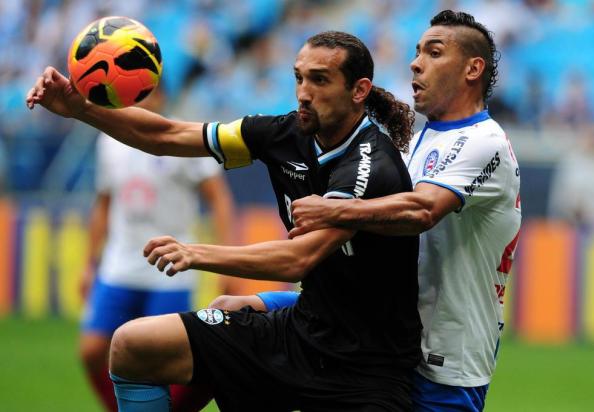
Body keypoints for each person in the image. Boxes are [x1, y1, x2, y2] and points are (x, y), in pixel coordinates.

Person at [27, 31, 421, 411]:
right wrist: (79, 107)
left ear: (359, 90)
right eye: (299, 78)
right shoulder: (283, 133)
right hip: (303, 330)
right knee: (131, 344)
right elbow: (167, 135)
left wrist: (195, 253)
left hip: (366, 366)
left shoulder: (372, 164)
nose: (304, 92)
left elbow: (297, 260)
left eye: (320, 80)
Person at [212, 10, 522, 412]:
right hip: (379, 338)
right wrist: (278, 302)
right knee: (222, 326)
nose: (415, 62)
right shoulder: (416, 143)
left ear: (472, 68)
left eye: (434, 52)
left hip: (446, 361)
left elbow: (422, 211)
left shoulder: (486, 141)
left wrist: (335, 211)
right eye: (416, 52)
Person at [79, 86, 234, 412]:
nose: (136, 104)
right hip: (119, 265)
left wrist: (225, 260)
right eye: (130, 97)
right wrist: (89, 262)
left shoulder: (183, 138)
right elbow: (104, 203)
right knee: (92, 351)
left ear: (161, 96)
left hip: (169, 270)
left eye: (143, 95)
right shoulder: (109, 140)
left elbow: (218, 198)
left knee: (165, 363)